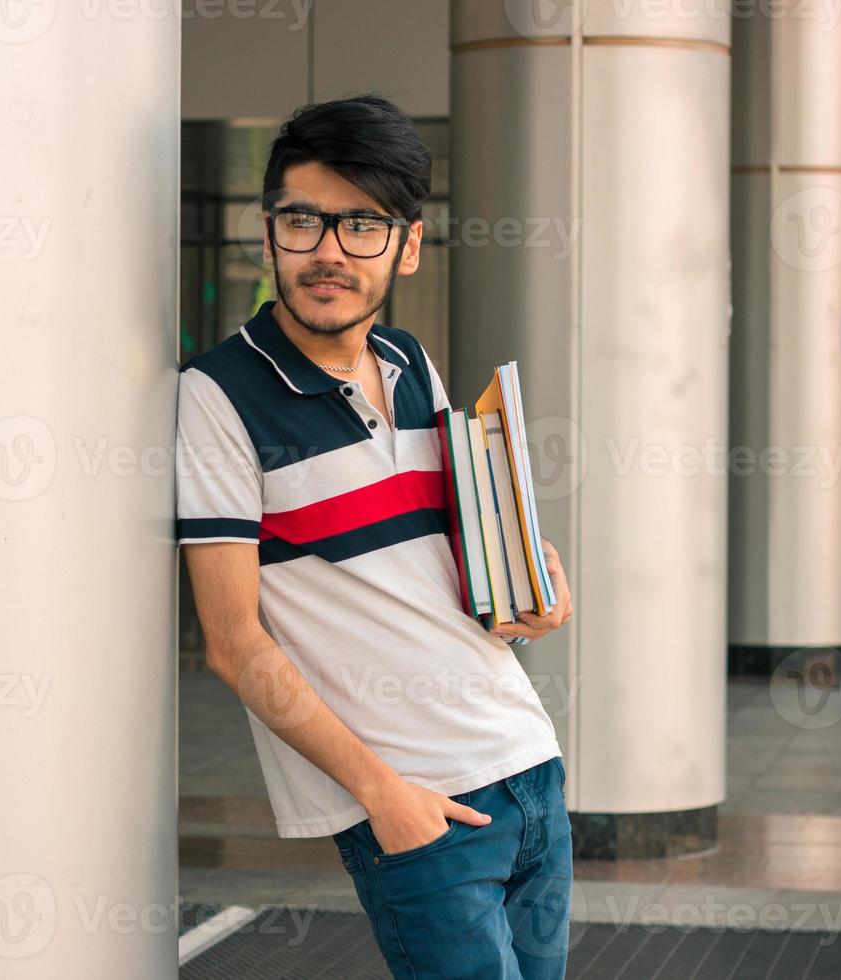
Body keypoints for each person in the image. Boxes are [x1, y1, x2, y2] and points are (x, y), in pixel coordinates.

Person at [175, 94, 575, 979]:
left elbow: (443, 563)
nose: (328, 250)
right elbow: (235, 645)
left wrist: (525, 590)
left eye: (362, 223)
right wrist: (379, 794)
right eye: (303, 219)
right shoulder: (217, 395)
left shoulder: (409, 362)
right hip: (418, 807)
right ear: (268, 229)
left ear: (407, 242)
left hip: (529, 763)